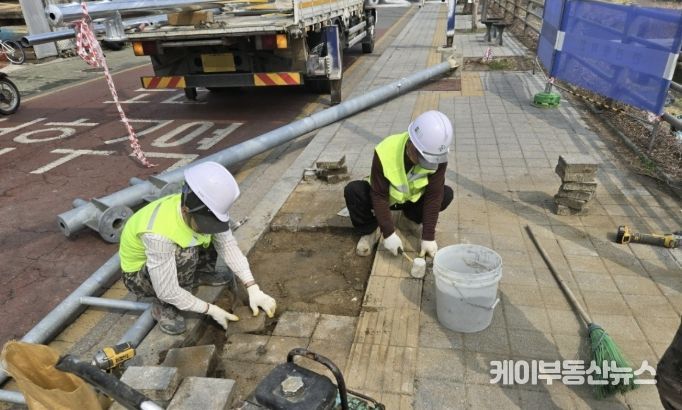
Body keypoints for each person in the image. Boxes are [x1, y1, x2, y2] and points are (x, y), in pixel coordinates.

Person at [118, 161, 276, 335]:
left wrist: (252, 287)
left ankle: (198, 274)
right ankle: (164, 307)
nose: (207, 227)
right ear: (186, 210)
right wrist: (210, 309)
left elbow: (228, 245)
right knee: (185, 253)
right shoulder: (158, 235)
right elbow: (167, 290)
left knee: (215, 234)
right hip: (140, 277)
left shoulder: (210, 206)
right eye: (203, 223)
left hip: (173, 255)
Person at [343, 110, 454, 258]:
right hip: (384, 198)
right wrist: (388, 234)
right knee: (353, 191)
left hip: (411, 202)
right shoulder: (386, 150)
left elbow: (434, 196)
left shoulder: (437, 157)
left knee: (445, 194)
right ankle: (370, 231)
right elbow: (379, 196)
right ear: (411, 144)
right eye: (423, 158)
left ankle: (408, 220)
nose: (427, 164)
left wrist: (428, 236)